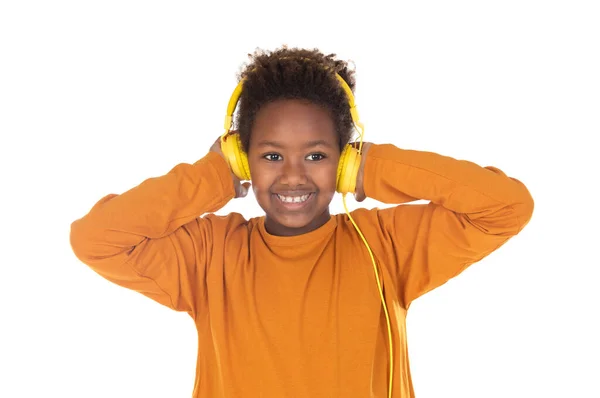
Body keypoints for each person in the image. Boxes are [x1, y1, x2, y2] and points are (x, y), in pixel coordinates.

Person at [70, 46, 534, 398]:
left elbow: (506, 206)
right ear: (243, 160)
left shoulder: (386, 245)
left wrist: (376, 168)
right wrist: (212, 175)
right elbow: (95, 239)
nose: (293, 175)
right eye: (271, 155)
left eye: (317, 155)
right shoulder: (209, 254)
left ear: (344, 161)